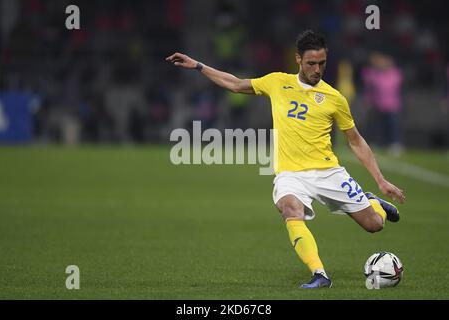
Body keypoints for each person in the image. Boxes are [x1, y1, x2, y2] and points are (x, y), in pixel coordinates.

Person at [166, 30, 405, 289]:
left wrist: (380, 180)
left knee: (374, 225)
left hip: (328, 171)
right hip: (290, 174)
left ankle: (372, 201)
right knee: (290, 209)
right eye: (311, 63)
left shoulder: (335, 98)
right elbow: (235, 83)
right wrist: (199, 66)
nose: (317, 69)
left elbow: (355, 140)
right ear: (298, 60)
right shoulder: (277, 82)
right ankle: (319, 274)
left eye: (322, 63)